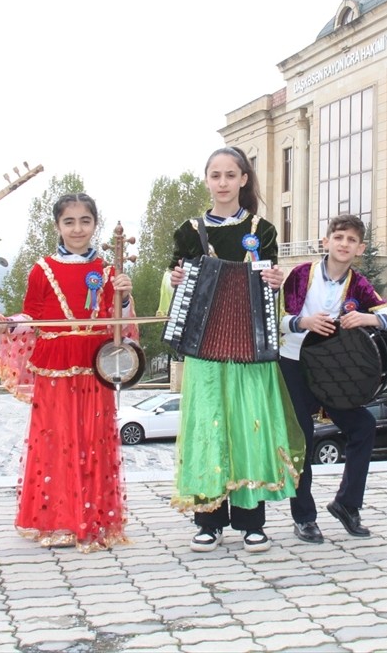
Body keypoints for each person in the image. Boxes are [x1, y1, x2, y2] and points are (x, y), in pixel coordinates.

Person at [168, 146, 304, 553]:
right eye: (216, 175)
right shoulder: (189, 231)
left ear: (244, 179)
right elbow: (177, 284)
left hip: (249, 341)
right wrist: (175, 278)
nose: (223, 183)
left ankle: (251, 520)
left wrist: (275, 279)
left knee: (250, 426)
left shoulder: (262, 229)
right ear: (207, 180)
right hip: (205, 344)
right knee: (206, 427)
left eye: (231, 175)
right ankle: (208, 520)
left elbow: (268, 280)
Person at [0, 193, 131, 552]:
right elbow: (31, 318)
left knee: (94, 440)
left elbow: (123, 328)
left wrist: (124, 298)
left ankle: (95, 519)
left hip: (95, 364)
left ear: (95, 224)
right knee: (58, 440)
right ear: (57, 226)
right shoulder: (41, 269)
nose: (77, 228)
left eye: (85, 221)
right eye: (69, 221)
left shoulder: (112, 270)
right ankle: (59, 519)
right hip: (55, 365)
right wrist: (6, 325)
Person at [279, 214, 387, 543]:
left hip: (334, 373)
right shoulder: (302, 275)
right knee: (302, 439)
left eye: (351, 240)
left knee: (363, 426)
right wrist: (304, 323)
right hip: (295, 365)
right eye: (339, 238)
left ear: (359, 247)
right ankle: (304, 517)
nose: (344, 244)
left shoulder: (359, 284)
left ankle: (347, 505)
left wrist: (367, 318)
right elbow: (280, 319)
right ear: (326, 242)